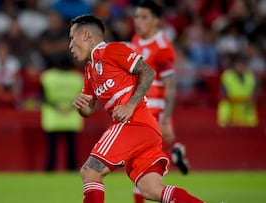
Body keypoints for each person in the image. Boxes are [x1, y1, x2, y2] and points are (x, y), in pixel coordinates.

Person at [70, 14, 204, 203]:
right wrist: (81, 106)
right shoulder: (90, 70)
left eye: (72, 38)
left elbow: (148, 71)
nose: (70, 45)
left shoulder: (112, 50)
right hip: (144, 129)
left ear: (86, 35)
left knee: (90, 171)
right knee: (151, 190)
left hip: (134, 122)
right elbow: (88, 110)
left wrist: (130, 105)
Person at [130, 4, 189, 202]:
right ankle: (174, 155)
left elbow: (170, 86)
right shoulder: (136, 40)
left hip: (154, 108)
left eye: (144, 17)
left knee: (140, 164)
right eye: (137, 16)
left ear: (156, 20)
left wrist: (167, 119)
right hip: (138, 106)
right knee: (139, 162)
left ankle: (173, 155)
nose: (138, 21)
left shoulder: (163, 48)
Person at [40, 65, 84, 171]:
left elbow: (43, 97)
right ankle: (72, 169)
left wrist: (57, 106)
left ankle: (49, 170)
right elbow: (82, 96)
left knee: (52, 148)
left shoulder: (48, 77)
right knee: (71, 148)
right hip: (71, 117)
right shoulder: (77, 78)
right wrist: (69, 106)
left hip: (53, 117)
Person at [217, 54, 258, 127]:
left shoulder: (250, 76)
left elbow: (254, 94)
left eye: (244, 65)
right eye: (239, 64)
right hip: (230, 114)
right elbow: (224, 96)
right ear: (234, 64)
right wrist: (227, 118)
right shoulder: (227, 76)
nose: (241, 67)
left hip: (247, 115)